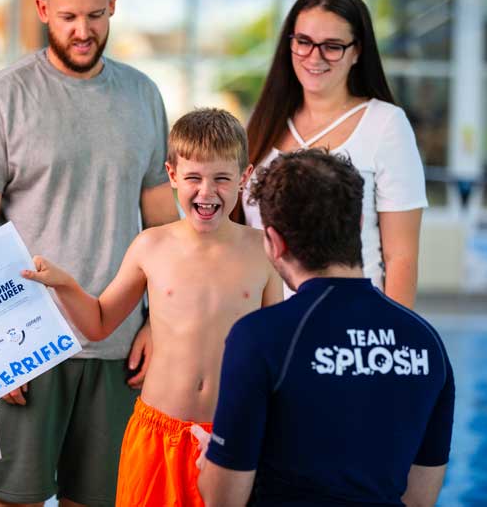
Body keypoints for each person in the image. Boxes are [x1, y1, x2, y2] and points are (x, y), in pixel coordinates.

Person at [0, 0, 178, 505]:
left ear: (113, 7)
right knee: (17, 499)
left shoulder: (143, 96)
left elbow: (164, 232)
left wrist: (158, 326)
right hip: (29, 349)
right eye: (69, 17)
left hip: (117, 351)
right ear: (42, 9)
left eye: (95, 16)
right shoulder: (4, 96)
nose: (83, 31)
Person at [22, 108, 283, 507]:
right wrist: (66, 286)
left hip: (233, 435)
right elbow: (99, 323)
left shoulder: (262, 251)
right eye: (193, 177)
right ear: (172, 174)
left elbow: (275, 355)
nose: (206, 192)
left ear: (244, 178)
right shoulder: (151, 246)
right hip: (157, 434)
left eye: (222, 179)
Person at [195, 150, 454, 506]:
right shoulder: (426, 344)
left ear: (274, 242)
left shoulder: (260, 337)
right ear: (359, 224)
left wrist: (213, 463)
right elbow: (420, 500)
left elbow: (223, 500)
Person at [234, 0, 427, 308]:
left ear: (357, 51)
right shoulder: (263, 125)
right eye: (304, 42)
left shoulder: (385, 125)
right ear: (289, 43)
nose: (314, 57)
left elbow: (401, 257)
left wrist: (392, 337)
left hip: (352, 325)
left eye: (332, 46)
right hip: (268, 327)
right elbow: (238, 235)